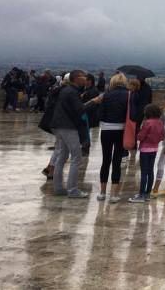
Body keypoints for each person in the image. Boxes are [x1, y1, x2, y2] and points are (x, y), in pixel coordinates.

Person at [51, 70, 96, 198]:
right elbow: (81, 110)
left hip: (58, 125)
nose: (86, 78)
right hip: (68, 127)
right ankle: (72, 190)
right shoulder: (71, 91)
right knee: (77, 157)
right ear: (76, 78)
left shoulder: (67, 90)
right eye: (83, 76)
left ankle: (58, 188)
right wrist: (94, 101)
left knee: (62, 156)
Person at [97, 73, 129, 202]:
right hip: (121, 130)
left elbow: (100, 114)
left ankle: (102, 192)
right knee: (117, 161)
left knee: (106, 160)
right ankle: (114, 194)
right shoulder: (129, 95)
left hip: (106, 129)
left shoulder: (106, 95)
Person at [129, 103, 164, 203]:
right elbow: (162, 135)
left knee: (143, 172)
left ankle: (141, 195)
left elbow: (141, 136)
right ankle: (147, 193)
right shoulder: (160, 122)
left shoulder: (147, 123)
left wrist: (138, 134)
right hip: (154, 149)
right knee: (150, 171)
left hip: (145, 150)